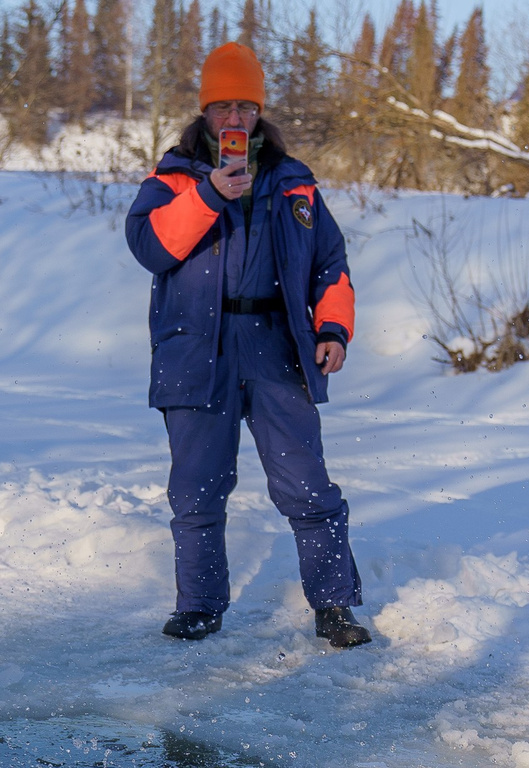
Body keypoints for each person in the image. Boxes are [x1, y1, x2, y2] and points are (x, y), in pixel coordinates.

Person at [125, 43, 372, 649]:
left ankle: (334, 607)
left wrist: (332, 329)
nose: (234, 119)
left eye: (246, 106)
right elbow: (151, 248)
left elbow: (330, 265)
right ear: (204, 112)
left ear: (259, 113)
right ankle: (200, 606)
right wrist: (209, 194)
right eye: (222, 107)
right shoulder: (171, 178)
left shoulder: (295, 184)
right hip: (196, 351)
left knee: (306, 484)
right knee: (197, 488)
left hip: (274, 347)